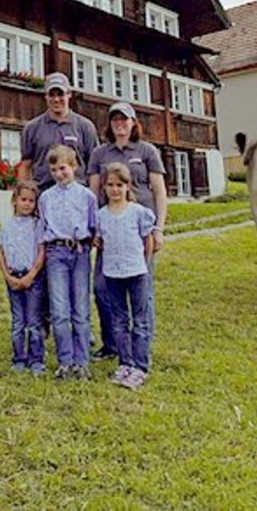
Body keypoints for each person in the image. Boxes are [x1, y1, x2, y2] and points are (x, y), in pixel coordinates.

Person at [87, 102, 168, 358]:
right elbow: (92, 193)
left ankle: (142, 344)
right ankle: (112, 344)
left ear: (134, 123)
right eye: (115, 120)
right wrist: (93, 230)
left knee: (143, 289)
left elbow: (159, 191)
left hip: (140, 231)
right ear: (110, 124)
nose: (120, 124)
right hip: (109, 230)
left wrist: (159, 229)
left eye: (125, 119)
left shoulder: (147, 151)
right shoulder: (100, 153)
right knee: (102, 287)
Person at [94, 163, 157, 389]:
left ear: (127, 186)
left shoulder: (138, 212)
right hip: (112, 273)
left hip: (137, 271)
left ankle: (140, 366)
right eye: (110, 185)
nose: (115, 190)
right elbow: (99, 241)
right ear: (104, 187)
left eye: (119, 185)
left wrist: (145, 263)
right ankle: (125, 363)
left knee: (140, 320)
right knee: (119, 320)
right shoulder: (100, 216)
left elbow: (148, 240)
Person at [37, 144, 98, 380]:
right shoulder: (46, 198)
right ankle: (65, 361)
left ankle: (82, 362)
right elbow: (43, 228)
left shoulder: (87, 196)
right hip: (56, 253)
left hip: (80, 252)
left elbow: (93, 227)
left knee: (80, 309)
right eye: (54, 170)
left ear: (73, 167)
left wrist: (86, 246)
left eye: (62, 168)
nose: (59, 174)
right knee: (60, 309)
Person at [0, 181, 46, 375]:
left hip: (32, 278)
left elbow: (42, 251)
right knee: (18, 322)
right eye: (23, 199)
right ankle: (19, 358)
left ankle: (36, 360)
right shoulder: (7, 225)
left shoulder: (37, 225)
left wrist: (32, 274)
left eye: (31, 201)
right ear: (14, 201)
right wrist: (7, 276)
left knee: (34, 321)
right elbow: (0, 250)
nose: (27, 204)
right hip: (13, 278)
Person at [19, 72, 99, 191]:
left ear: (69, 95)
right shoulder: (32, 128)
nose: (56, 99)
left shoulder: (85, 127)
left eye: (60, 94)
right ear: (46, 96)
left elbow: (95, 167)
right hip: (43, 193)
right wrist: (23, 194)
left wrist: (93, 198)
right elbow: (25, 166)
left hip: (77, 194)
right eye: (51, 95)